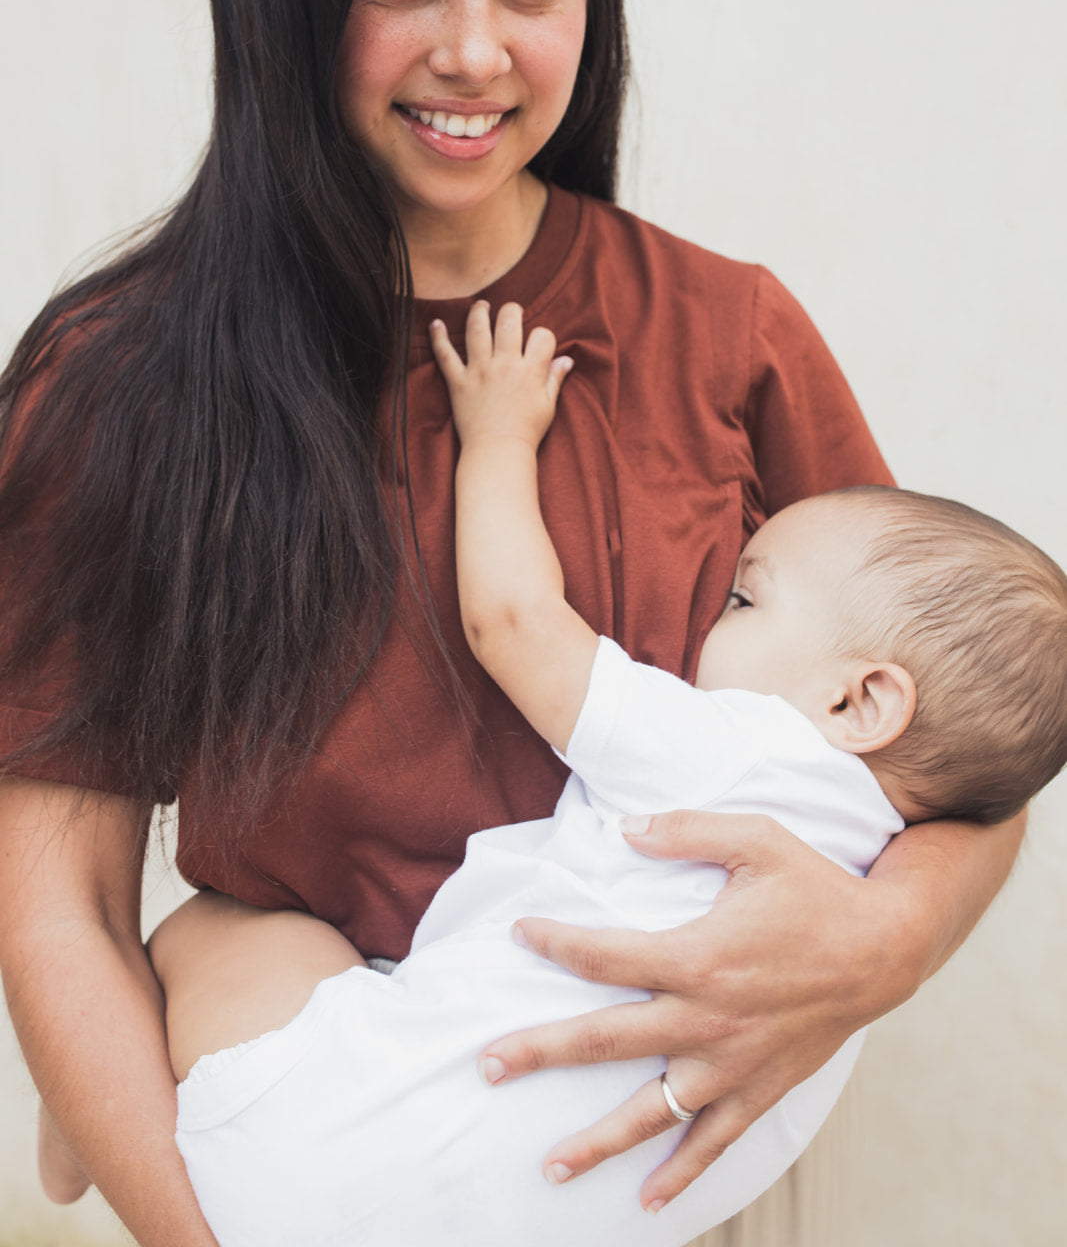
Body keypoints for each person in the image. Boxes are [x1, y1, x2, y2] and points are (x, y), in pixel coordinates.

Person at [0, 0, 1022, 1247]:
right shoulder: (122, 384)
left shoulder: (724, 335)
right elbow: (56, 904)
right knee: (215, 942)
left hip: (630, 1180)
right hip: (292, 1159)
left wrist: (876, 948)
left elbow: (954, 746)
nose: (472, 50)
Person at [158, 301, 1067, 1247]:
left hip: (301, 1153)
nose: (712, 614)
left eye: (743, 596)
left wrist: (500, 433)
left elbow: (513, 621)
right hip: (508, 1221)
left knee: (225, 927)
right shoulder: (848, 939)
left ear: (858, 703)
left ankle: (76, 1120)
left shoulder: (740, 755)